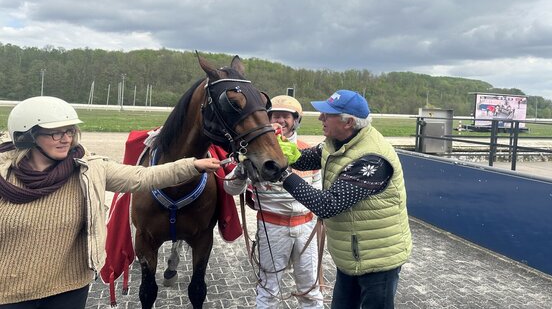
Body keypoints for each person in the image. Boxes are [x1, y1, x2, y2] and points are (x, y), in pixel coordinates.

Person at [0, 96, 222, 308]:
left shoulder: (90, 168)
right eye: (54, 134)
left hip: (68, 287)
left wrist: (192, 165)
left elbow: (144, 176)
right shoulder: (4, 177)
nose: (66, 139)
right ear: (26, 136)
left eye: (69, 131)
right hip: (10, 292)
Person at [278, 90, 412, 309]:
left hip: (377, 258)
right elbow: (305, 159)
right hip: (352, 255)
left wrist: (283, 175)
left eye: (327, 114)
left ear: (348, 122)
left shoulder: (372, 159)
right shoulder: (337, 141)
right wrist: (284, 151)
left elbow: (327, 205)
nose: (320, 118)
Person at [224, 95, 324, 308]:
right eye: (274, 115)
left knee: (310, 288)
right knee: (268, 289)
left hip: (306, 226)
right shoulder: (254, 152)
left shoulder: (308, 151)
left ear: (296, 120)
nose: (280, 120)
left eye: (285, 116)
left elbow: (318, 194)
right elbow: (230, 188)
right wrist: (241, 171)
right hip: (272, 227)